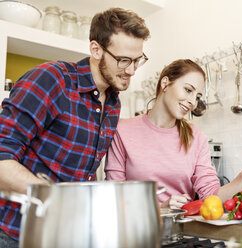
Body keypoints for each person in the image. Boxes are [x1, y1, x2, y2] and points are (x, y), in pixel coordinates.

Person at [0, 7, 150, 246]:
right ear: (96, 49)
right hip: (14, 235)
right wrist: (59, 199)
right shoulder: (51, 80)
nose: (131, 70)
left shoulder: (112, 102)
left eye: (137, 60)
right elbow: (2, 158)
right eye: (124, 60)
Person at [105, 59, 242, 209]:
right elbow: (113, 197)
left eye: (198, 96)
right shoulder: (122, 130)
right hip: (137, 234)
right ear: (165, 83)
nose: (193, 102)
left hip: (182, 234)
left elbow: (211, 197)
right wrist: (159, 208)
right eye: (188, 90)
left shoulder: (195, 136)